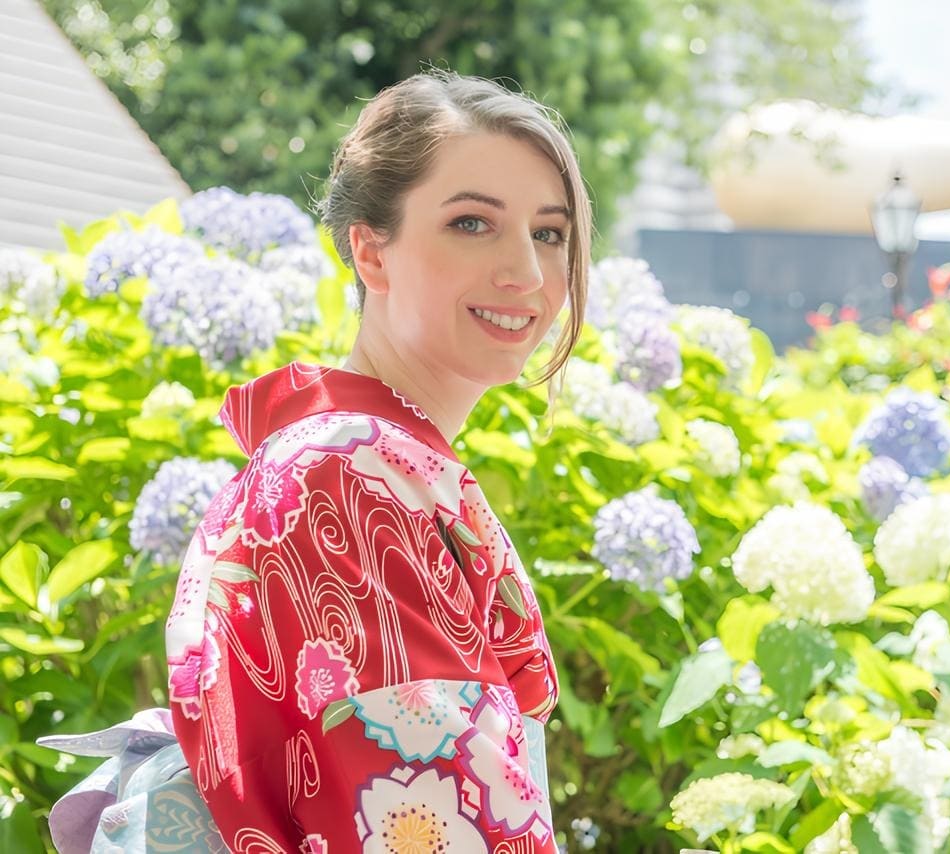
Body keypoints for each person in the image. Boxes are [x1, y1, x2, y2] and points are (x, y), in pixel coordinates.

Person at [38, 68, 592, 853]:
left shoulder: (353, 457)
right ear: (371, 252)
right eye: (473, 223)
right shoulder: (349, 479)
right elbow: (439, 827)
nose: (529, 274)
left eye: (549, 232)